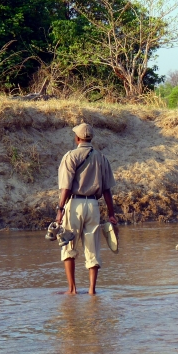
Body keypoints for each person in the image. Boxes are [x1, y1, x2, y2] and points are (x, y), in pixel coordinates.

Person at [55, 123, 117, 295]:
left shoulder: (70, 156)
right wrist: (111, 214)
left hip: (74, 204)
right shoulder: (101, 158)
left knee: (68, 246)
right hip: (93, 206)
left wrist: (60, 209)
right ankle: (91, 290)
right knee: (93, 249)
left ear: (77, 138)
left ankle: (72, 289)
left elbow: (66, 187)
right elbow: (107, 190)